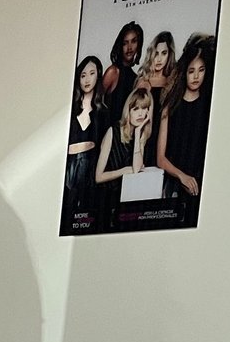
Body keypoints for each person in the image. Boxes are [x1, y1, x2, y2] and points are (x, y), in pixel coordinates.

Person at [158, 34, 214, 229]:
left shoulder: (209, 106)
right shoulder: (170, 106)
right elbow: (160, 158)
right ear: (184, 72)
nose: (196, 76)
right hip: (174, 185)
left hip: (201, 187)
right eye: (191, 71)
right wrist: (182, 176)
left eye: (201, 70)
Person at [94, 87, 158, 230]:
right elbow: (98, 177)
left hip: (125, 198)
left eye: (145, 108)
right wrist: (123, 171)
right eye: (136, 109)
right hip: (105, 198)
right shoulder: (113, 131)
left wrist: (137, 134)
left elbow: (135, 169)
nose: (141, 113)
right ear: (128, 111)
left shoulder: (141, 135)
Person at [62, 56, 108, 234]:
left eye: (92, 73)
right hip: (68, 171)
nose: (87, 79)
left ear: (98, 76)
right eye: (83, 75)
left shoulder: (102, 112)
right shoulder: (69, 108)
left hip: (90, 172)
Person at [100, 21, 143, 127]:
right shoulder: (113, 72)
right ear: (120, 45)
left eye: (133, 41)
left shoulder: (136, 78)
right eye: (125, 43)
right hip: (107, 135)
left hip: (125, 136)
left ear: (139, 44)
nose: (129, 47)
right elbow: (94, 104)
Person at [137, 31, 177, 108]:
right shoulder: (143, 81)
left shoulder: (173, 81)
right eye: (156, 53)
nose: (159, 59)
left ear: (169, 55)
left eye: (164, 53)